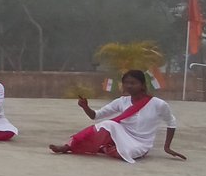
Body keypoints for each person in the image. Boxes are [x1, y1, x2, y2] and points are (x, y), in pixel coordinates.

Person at [49, 69, 186, 163]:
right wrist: (85, 107)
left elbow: (171, 122)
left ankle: (104, 147)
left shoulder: (158, 104)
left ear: (142, 85)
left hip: (141, 143)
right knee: (108, 124)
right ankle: (67, 147)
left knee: (126, 153)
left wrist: (167, 147)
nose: (129, 86)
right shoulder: (122, 101)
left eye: (133, 83)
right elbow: (96, 116)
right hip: (122, 134)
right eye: (126, 83)